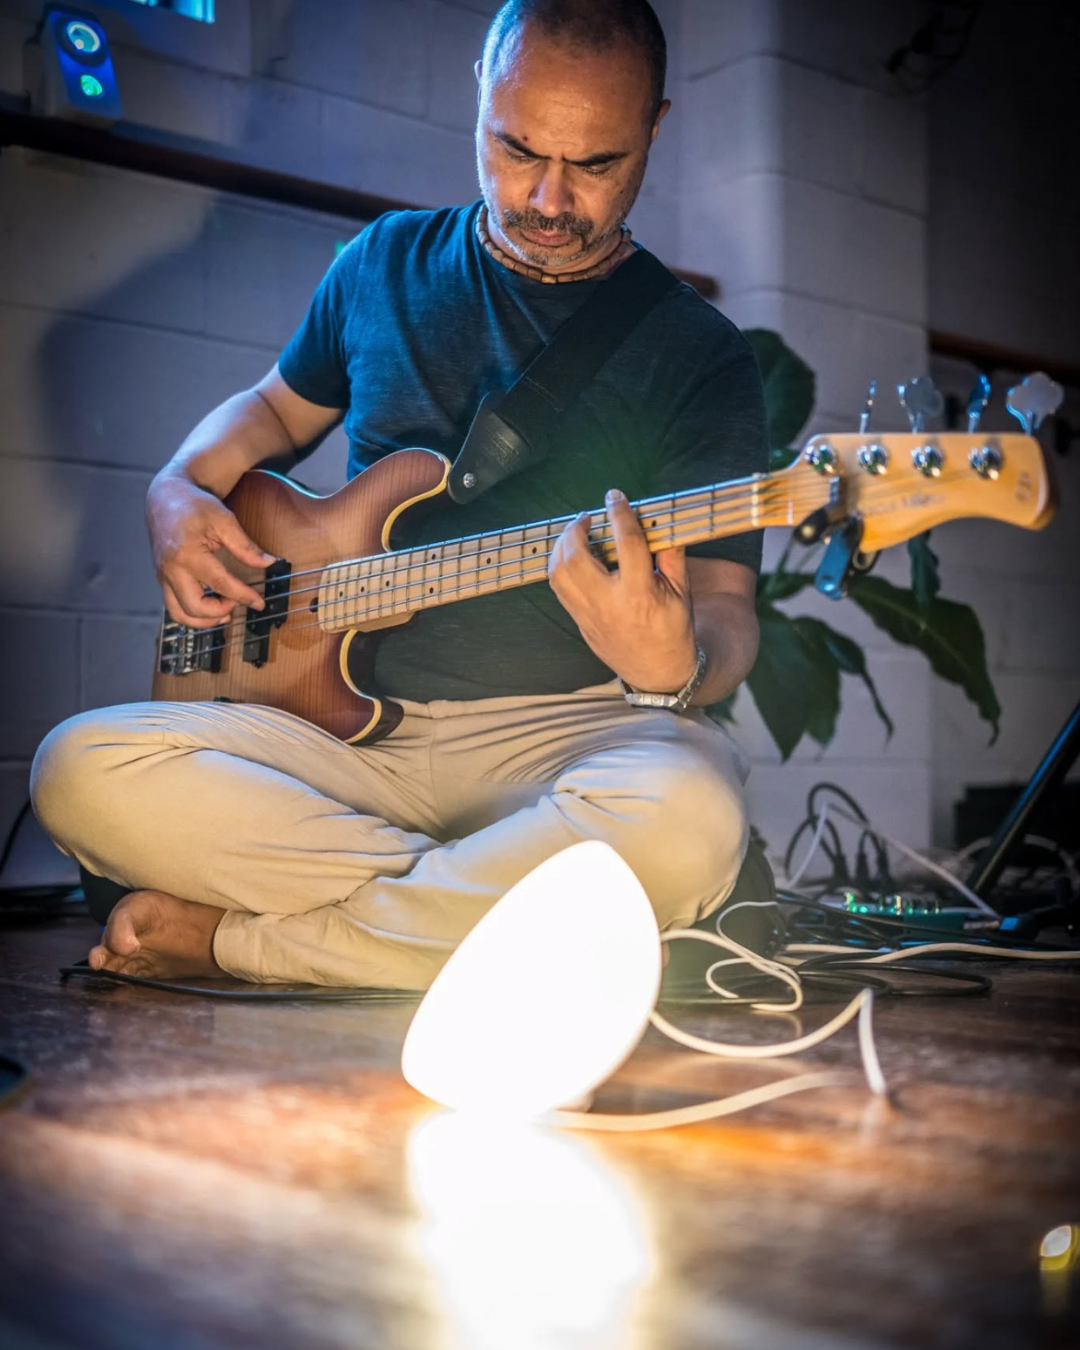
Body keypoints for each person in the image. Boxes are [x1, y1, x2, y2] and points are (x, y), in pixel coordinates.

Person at [30, 0, 768, 988]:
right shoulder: (381, 264)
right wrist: (176, 489)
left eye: (596, 164)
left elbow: (726, 610)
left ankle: (239, 942)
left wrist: (676, 664)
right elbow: (266, 412)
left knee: (692, 822)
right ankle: (485, 914)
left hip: (567, 739)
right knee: (78, 768)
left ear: (655, 130)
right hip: (342, 750)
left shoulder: (700, 353)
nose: (549, 198)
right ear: (479, 95)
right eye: (516, 149)